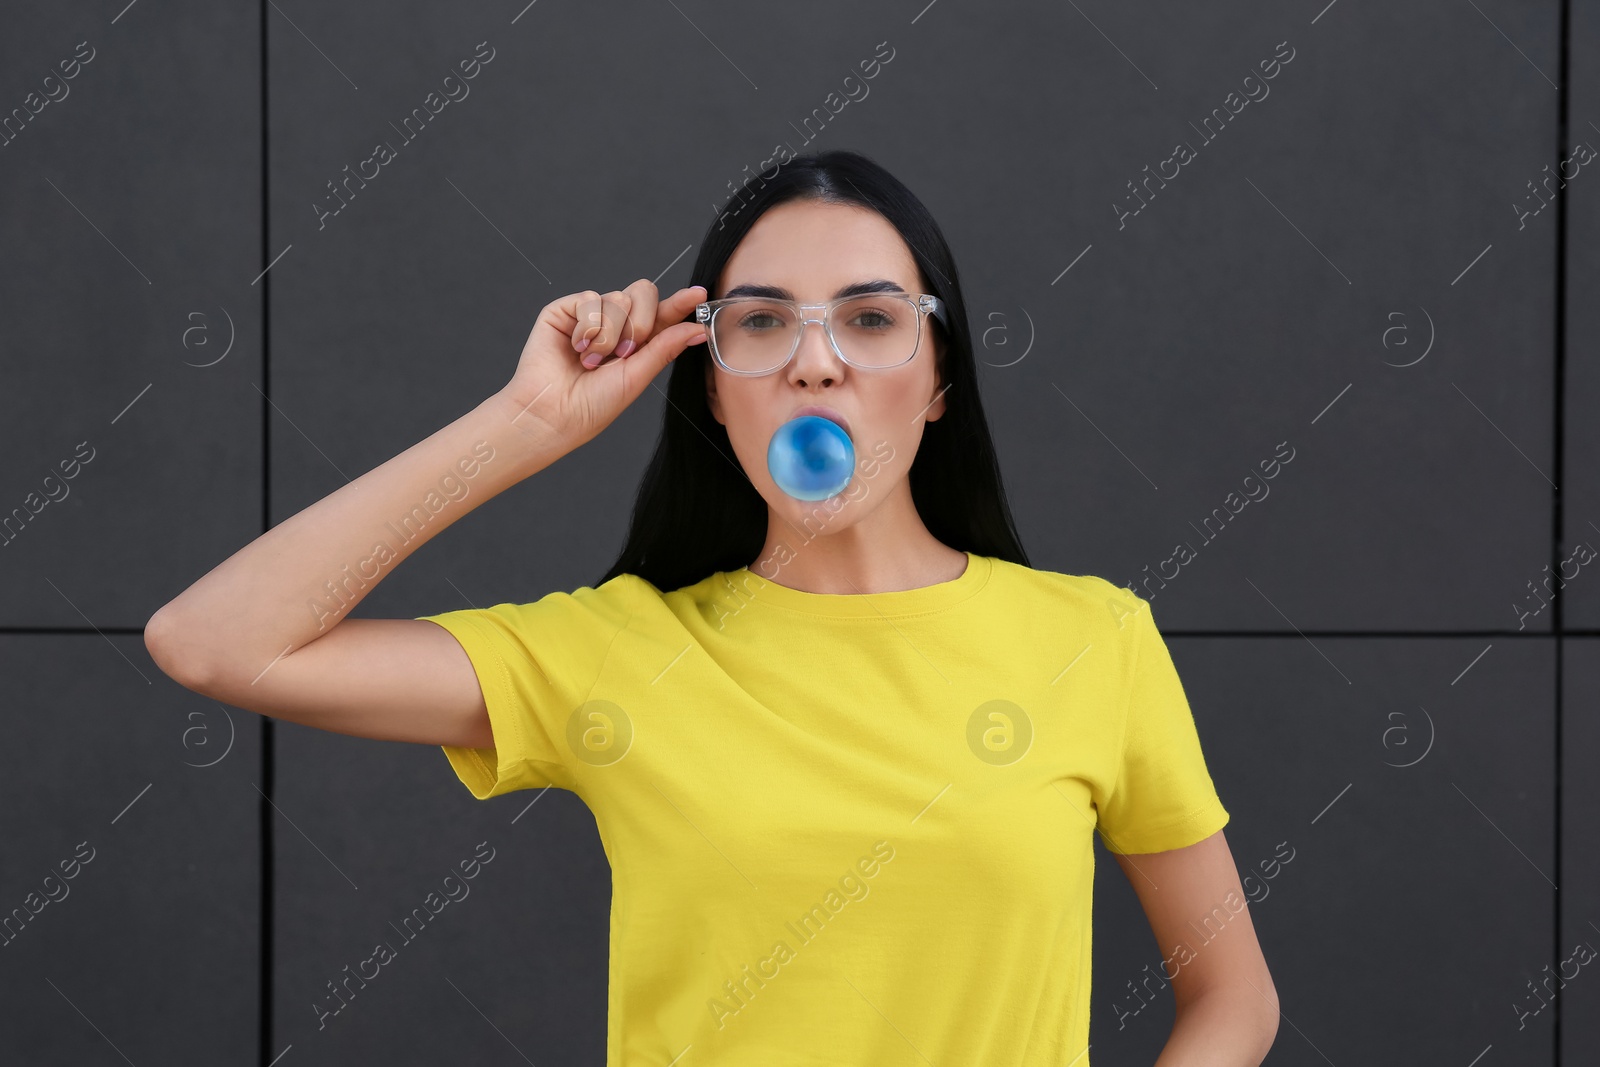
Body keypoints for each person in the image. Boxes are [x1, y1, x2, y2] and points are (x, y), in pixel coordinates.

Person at [145, 149, 1278, 1065]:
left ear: (938, 380)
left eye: (872, 319)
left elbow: (1232, 994)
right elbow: (211, 641)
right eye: (763, 321)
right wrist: (527, 424)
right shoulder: (620, 650)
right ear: (711, 384)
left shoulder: (1092, 638)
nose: (815, 363)